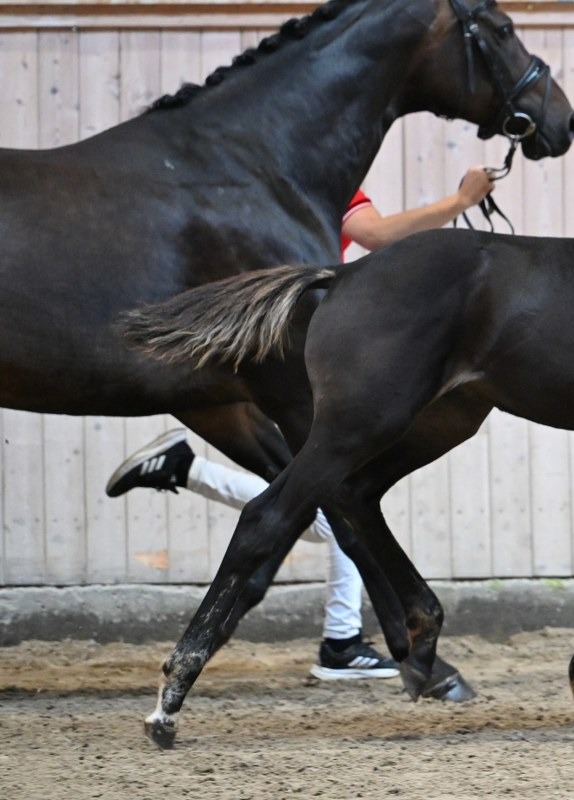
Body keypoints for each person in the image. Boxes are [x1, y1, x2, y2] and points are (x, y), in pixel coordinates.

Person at [106, 167, 496, 680]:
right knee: (336, 498)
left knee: (327, 498)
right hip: (310, 338)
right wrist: (460, 200)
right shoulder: (322, 184)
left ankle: (342, 640)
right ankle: (341, 643)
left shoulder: (275, 183)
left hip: (294, 330)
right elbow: (375, 236)